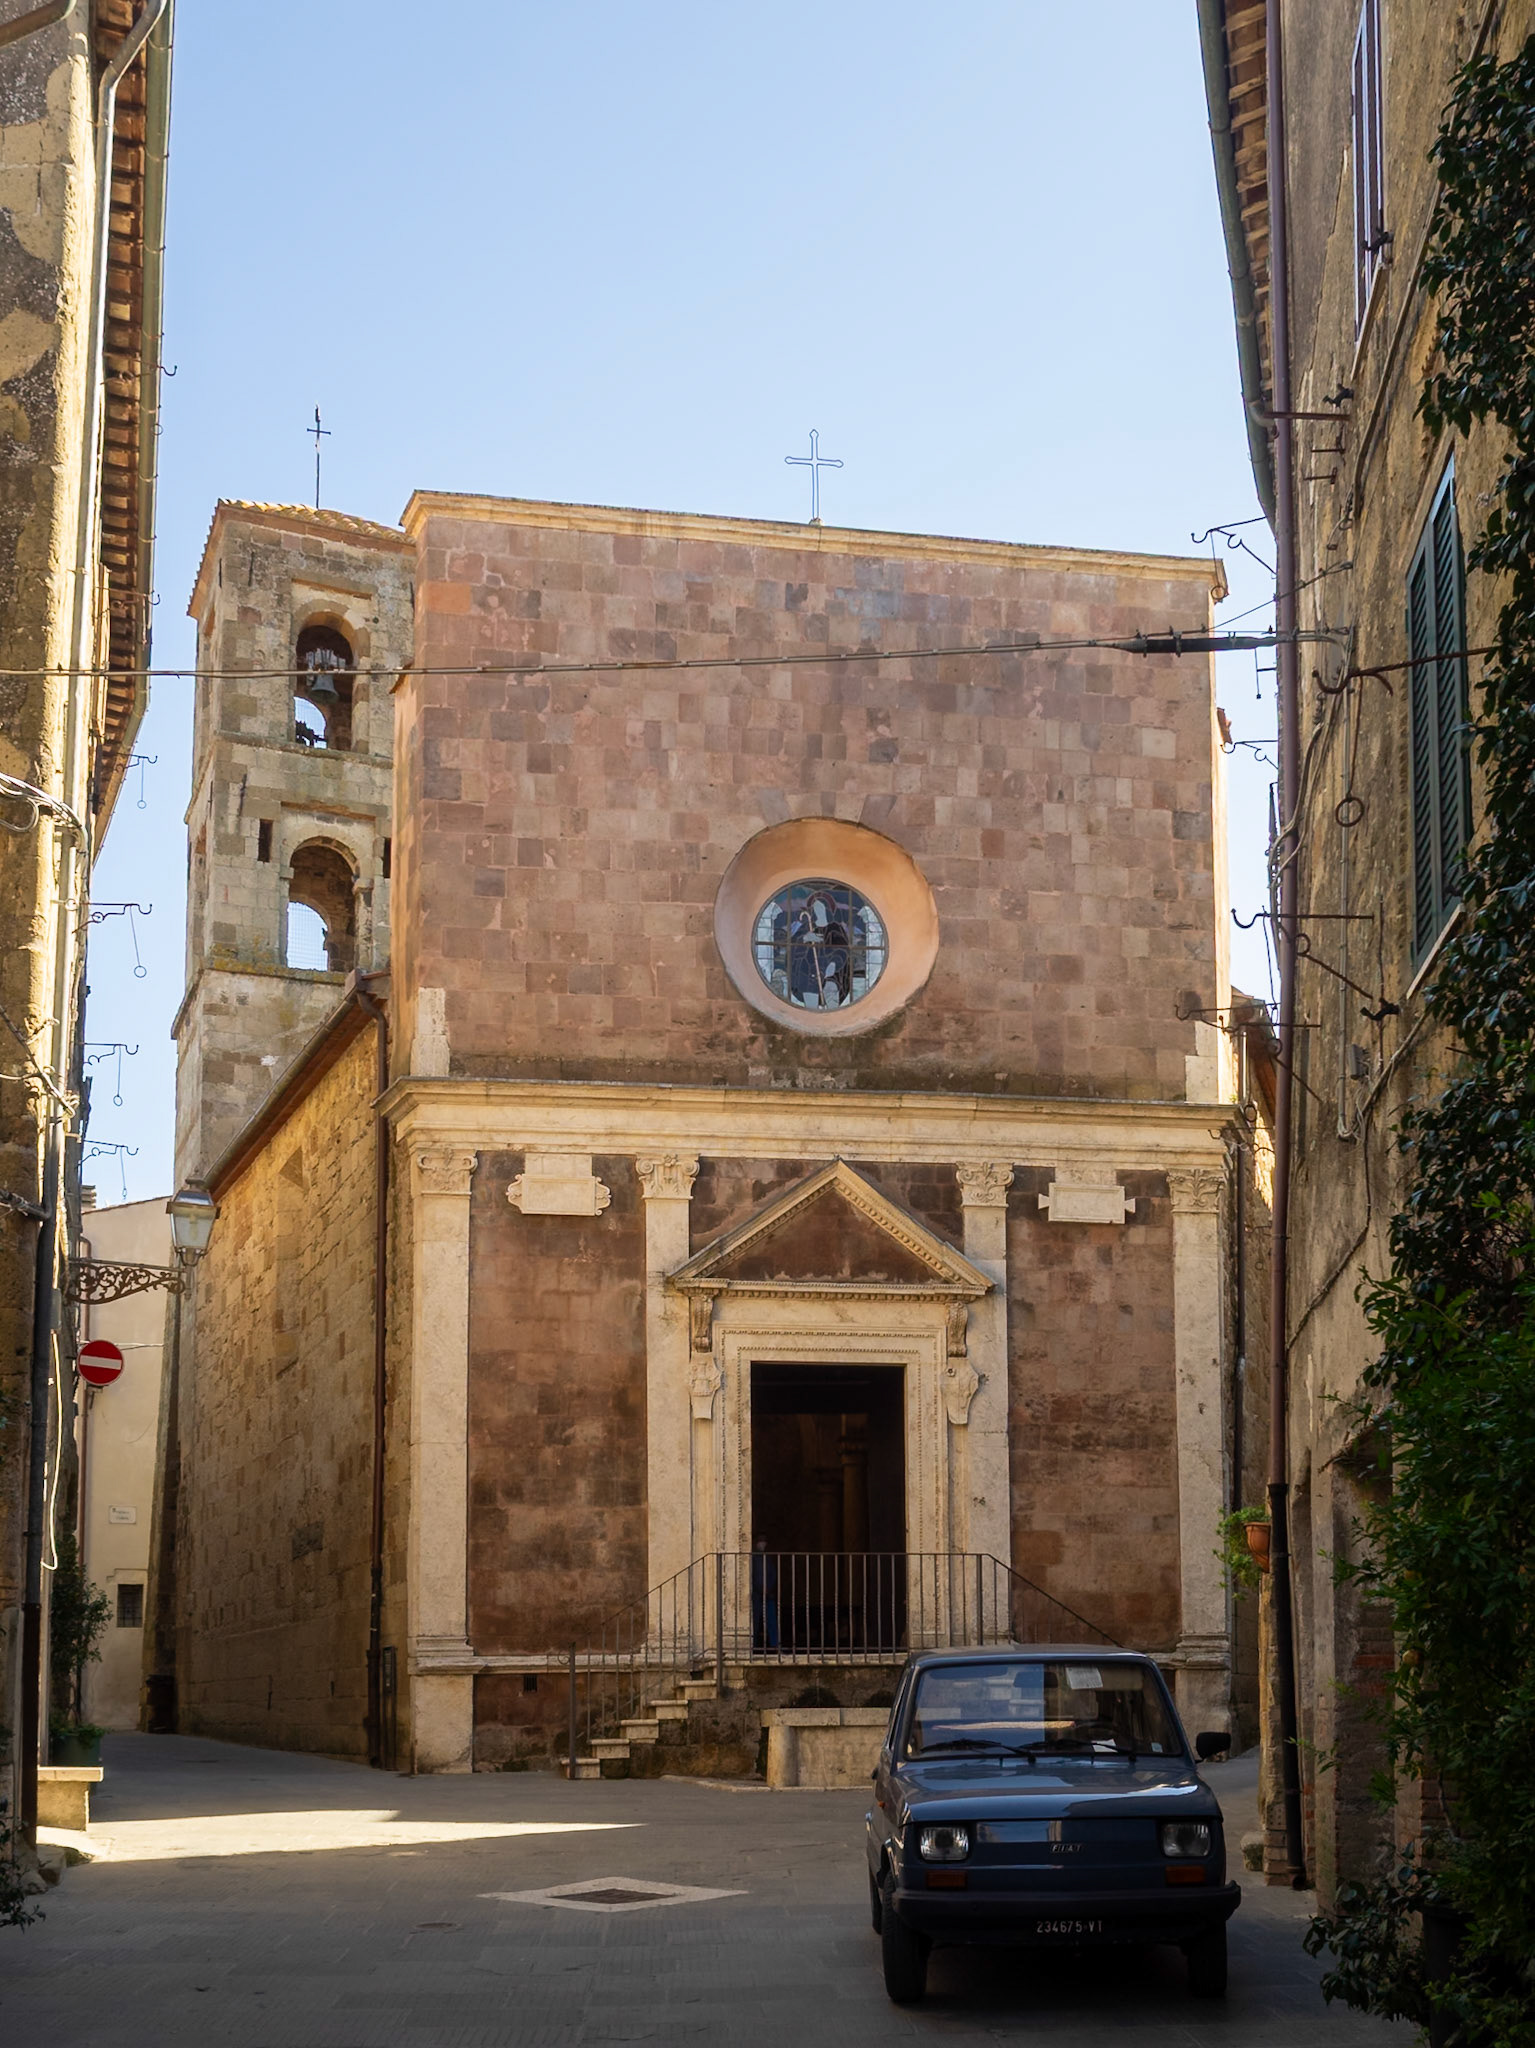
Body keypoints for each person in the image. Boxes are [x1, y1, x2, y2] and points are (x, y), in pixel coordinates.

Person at [751, 1538, 779, 1650]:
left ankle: (775, 1644)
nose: (763, 1544)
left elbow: (773, 1574)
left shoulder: (768, 1558)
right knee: (755, 1621)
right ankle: (753, 1645)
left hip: (768, 1594)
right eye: (760, 1541)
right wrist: (759, 1588)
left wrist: (769, 1588)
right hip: (756, 1595)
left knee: (771, 1619)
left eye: (764, 1541)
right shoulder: (753, 1558)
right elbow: (751, 1576)